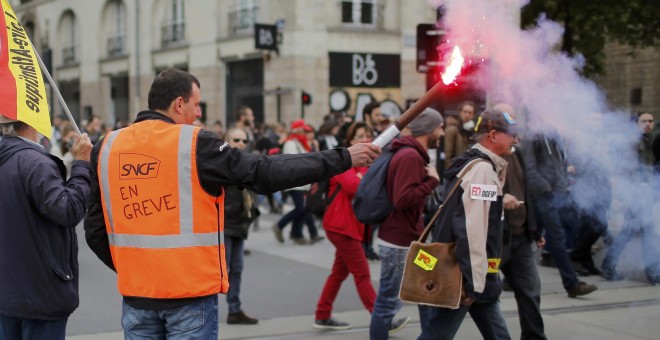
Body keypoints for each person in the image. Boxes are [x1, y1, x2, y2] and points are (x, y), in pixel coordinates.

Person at [83, 68, 380, 339]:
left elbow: (95, 229)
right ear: (178, 104)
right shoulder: (195, 143)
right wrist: (343, 158)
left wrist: (134, 270)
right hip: (189, 295)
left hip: (137, 296)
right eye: (196, 104)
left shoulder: (107, 147)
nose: (199, 113)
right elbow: (266, 172)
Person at [417, 109, 515, 339]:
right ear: (492, 135)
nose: (515, 139)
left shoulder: (476, 163)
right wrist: (473, 283)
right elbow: (472, 231)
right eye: (511, 134)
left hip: (475, 275)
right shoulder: (481, 170)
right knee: (436, 335)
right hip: (466, 277)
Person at [0, 116, 92, 339]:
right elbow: (68, 210)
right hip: (39, 292)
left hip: (8, 293)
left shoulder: (15, 159)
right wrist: (81, 165)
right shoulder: (35, 162)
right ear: (33, 120)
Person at [370, 108, 444, 340]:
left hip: (412, 240)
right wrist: (432, 181)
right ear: (430, 130)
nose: (442, 133)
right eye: (439, 127)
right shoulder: (410, 156)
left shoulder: (412, 153)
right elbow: (402, 200)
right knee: (387, 303)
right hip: (398, 243)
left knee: (426, 296)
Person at [314, 122, 376, 330]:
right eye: (360, 135)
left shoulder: (364, 165)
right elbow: (354, 188)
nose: (366, 139)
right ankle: (381, 317)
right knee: (362, 273)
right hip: (340, 225)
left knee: (339, 273)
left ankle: (322, 314)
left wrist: (362, 175)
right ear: (350, 142)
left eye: (368, 134)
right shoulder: (342, 161)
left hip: (349, 226)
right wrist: (364, 174)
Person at [521, 128, 598, 297]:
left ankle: (509, 280)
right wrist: (546, 187)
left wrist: (563, 185)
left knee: (526, 238)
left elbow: (558, 164)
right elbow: (529, 168)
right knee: (556, 236)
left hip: (554, 194)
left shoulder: (553, 135)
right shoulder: (533, 136)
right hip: (542, 195)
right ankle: (571, 283)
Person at [494, 104, 547, 340]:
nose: (514, 134)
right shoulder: (481, 156)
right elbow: (470, 195)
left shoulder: (519, 153)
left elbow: (529, 191)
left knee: (530, 293)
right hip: (496, 240)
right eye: (508, 126)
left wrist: (535, 230)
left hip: (522, 237)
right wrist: (499, 198)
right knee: (479, 295)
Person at [601, 112, 659, 284]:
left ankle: (609, 265)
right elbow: (626, 168)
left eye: (650, 121)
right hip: (636, 193)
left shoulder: (646, 141)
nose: (648, 124)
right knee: (645, 231)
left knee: (630, 231)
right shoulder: (632, 142)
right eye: (644, 121)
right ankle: (653, 272)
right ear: (636, 124)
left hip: (644, 192)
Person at [222, 128, 260, 325]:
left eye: (244, 140)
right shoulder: (220, 163)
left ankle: (234, 310)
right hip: (224, 224)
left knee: (236, 269)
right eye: (236, 139)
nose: (241, 143)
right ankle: (202, 311)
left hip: (240, 224)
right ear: (226, 141)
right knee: (220, 272)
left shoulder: (246, 163)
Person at [272, 119, 325, 245]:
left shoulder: (301, 143)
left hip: (303, 183)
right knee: (300, 208)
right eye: (303, 130)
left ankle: (296, 234)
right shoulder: (291, 143)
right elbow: (292, 163)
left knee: (303, 208)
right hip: (295, 182)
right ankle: (280, 225)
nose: (304, 133)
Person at [443, 101, 476, 169]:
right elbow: (447, 155)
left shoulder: (474, 131)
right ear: (460, 112)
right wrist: (452, 171)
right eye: (465, 112)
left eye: (470, 113)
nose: (467, 115)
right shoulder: (452, 129)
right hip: (456, 170)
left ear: (473, 115)